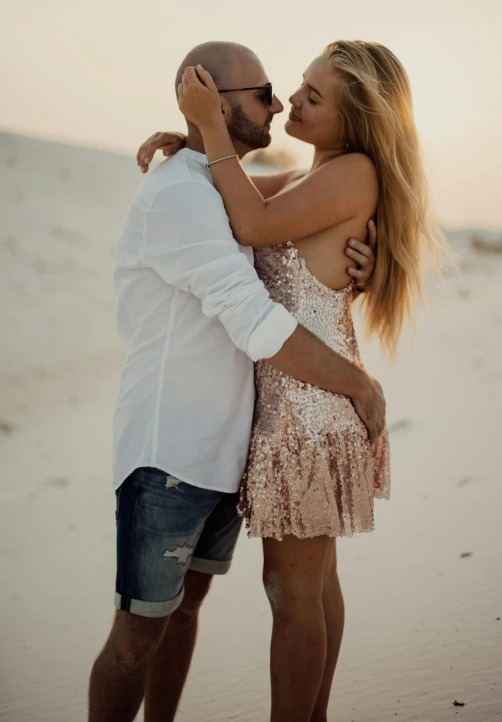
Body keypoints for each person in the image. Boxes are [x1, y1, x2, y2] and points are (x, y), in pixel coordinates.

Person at [140, 39, 438, 722]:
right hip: (301, 401)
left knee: (292, 590)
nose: (292, 102)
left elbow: (251, 222)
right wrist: (190, 144)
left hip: (309, 410)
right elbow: (227, 194)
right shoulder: (319, 172)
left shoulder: (353, 170)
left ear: (354, 117)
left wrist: (212, 127)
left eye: (312, 95)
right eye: (297, 86)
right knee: (312, 583)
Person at [88, 41, 384, 722]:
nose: (282, 103)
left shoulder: (260, 181)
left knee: (226, 603)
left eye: (305, 92)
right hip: (176, 450)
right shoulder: (190, 194)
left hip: (256, 436)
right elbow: (253, 279)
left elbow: (270, 222)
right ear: (217, 104)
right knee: (142, 630)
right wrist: (360, 383)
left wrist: (201, 139)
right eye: (271, 91)